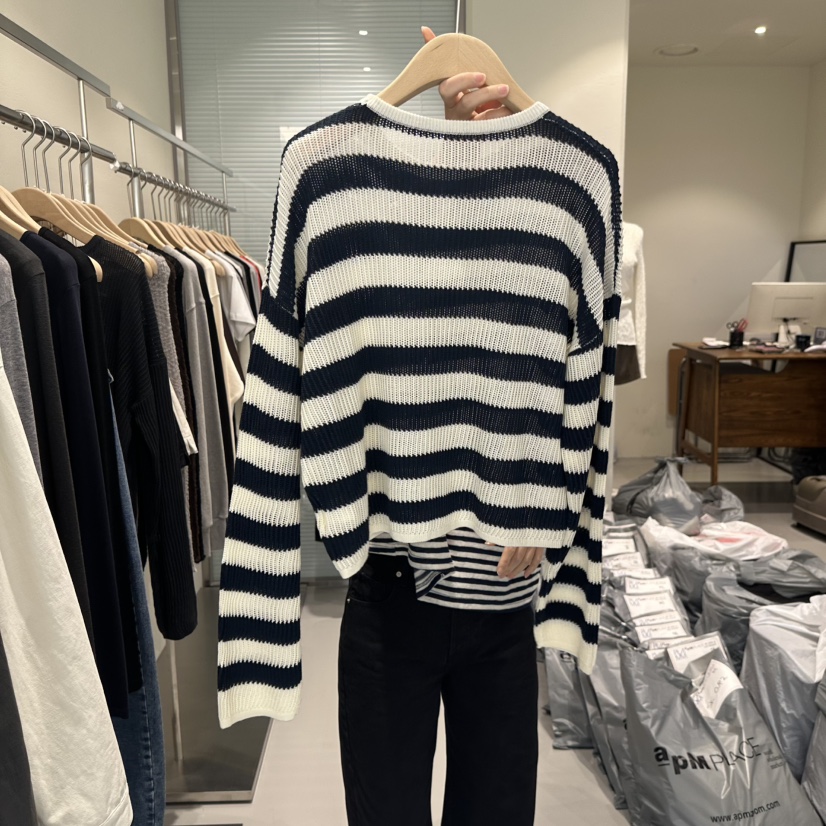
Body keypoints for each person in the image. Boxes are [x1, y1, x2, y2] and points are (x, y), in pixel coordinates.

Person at [336, 26, 545, 826]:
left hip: (504, 580)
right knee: (386, 810)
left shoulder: (548, 214)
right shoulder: (364, 207)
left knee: (495, 811)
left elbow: (572, 371)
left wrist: (543, 496)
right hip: (393, 575)